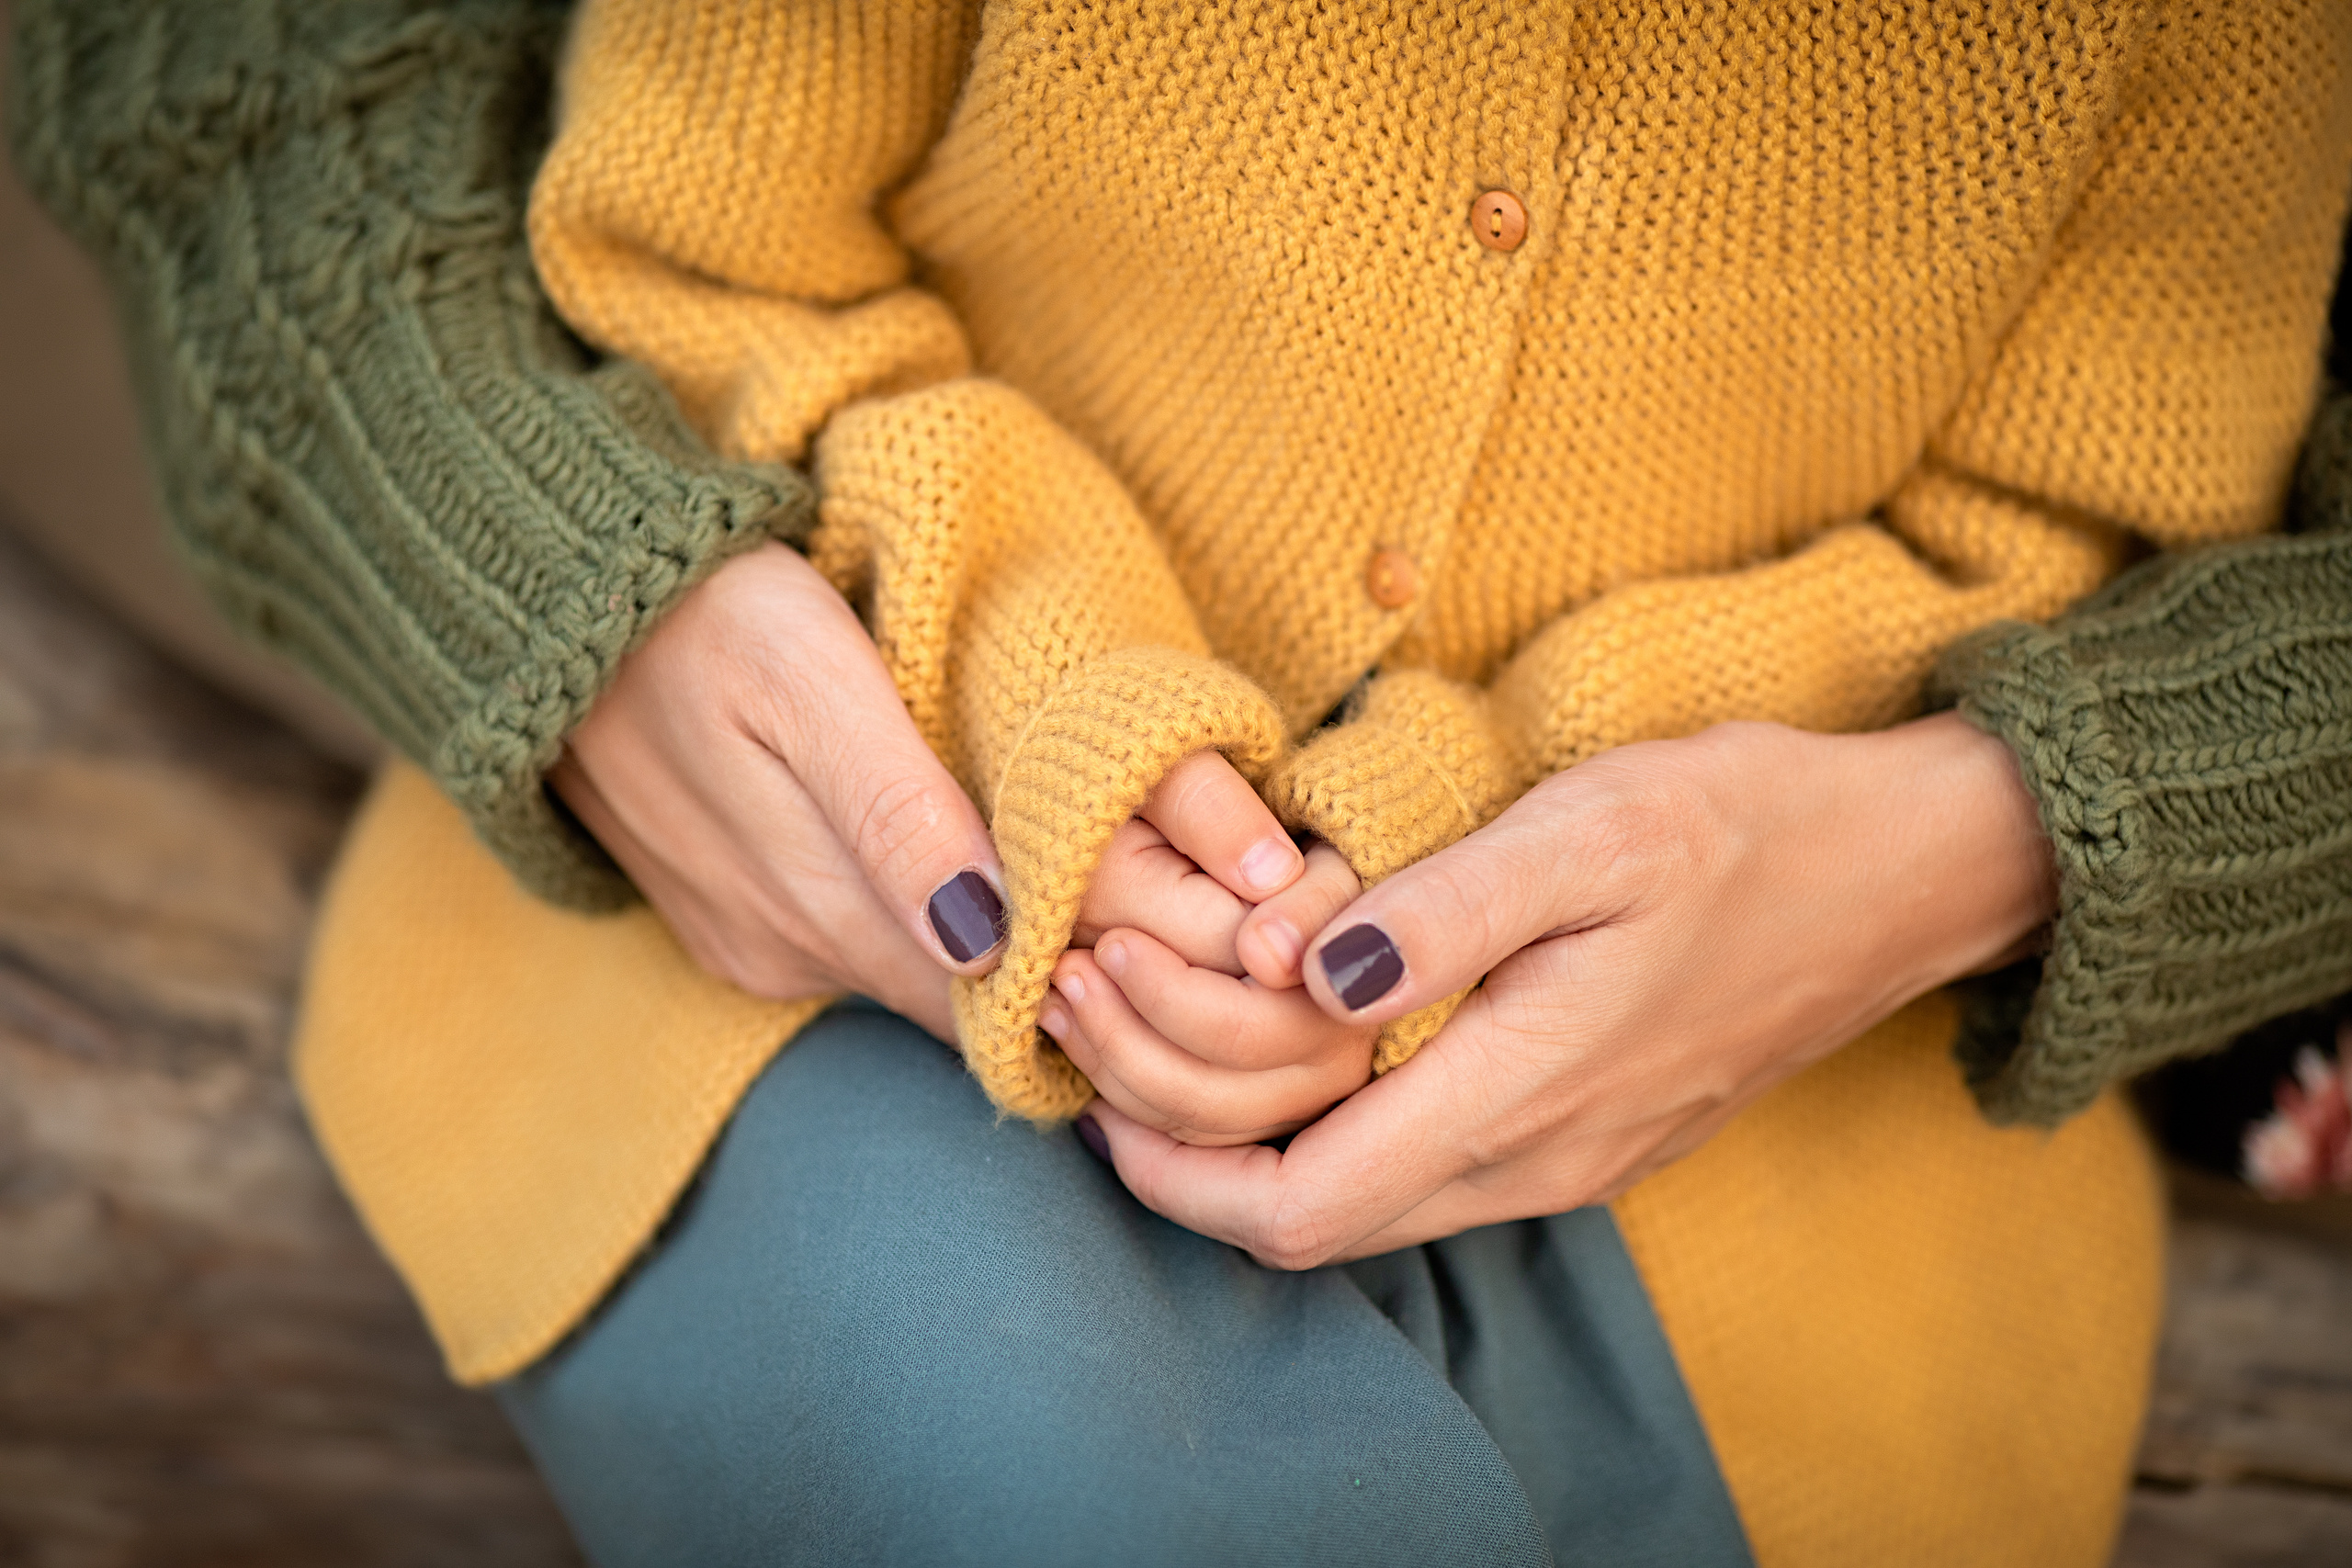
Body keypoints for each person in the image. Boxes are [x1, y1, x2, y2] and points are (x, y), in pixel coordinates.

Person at [13, 2, 2352, 1563]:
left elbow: (2069, 529)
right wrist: (1058, 697)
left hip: (1787, 1047)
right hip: (831, 860)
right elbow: (702, 252)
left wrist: (1462, 816)